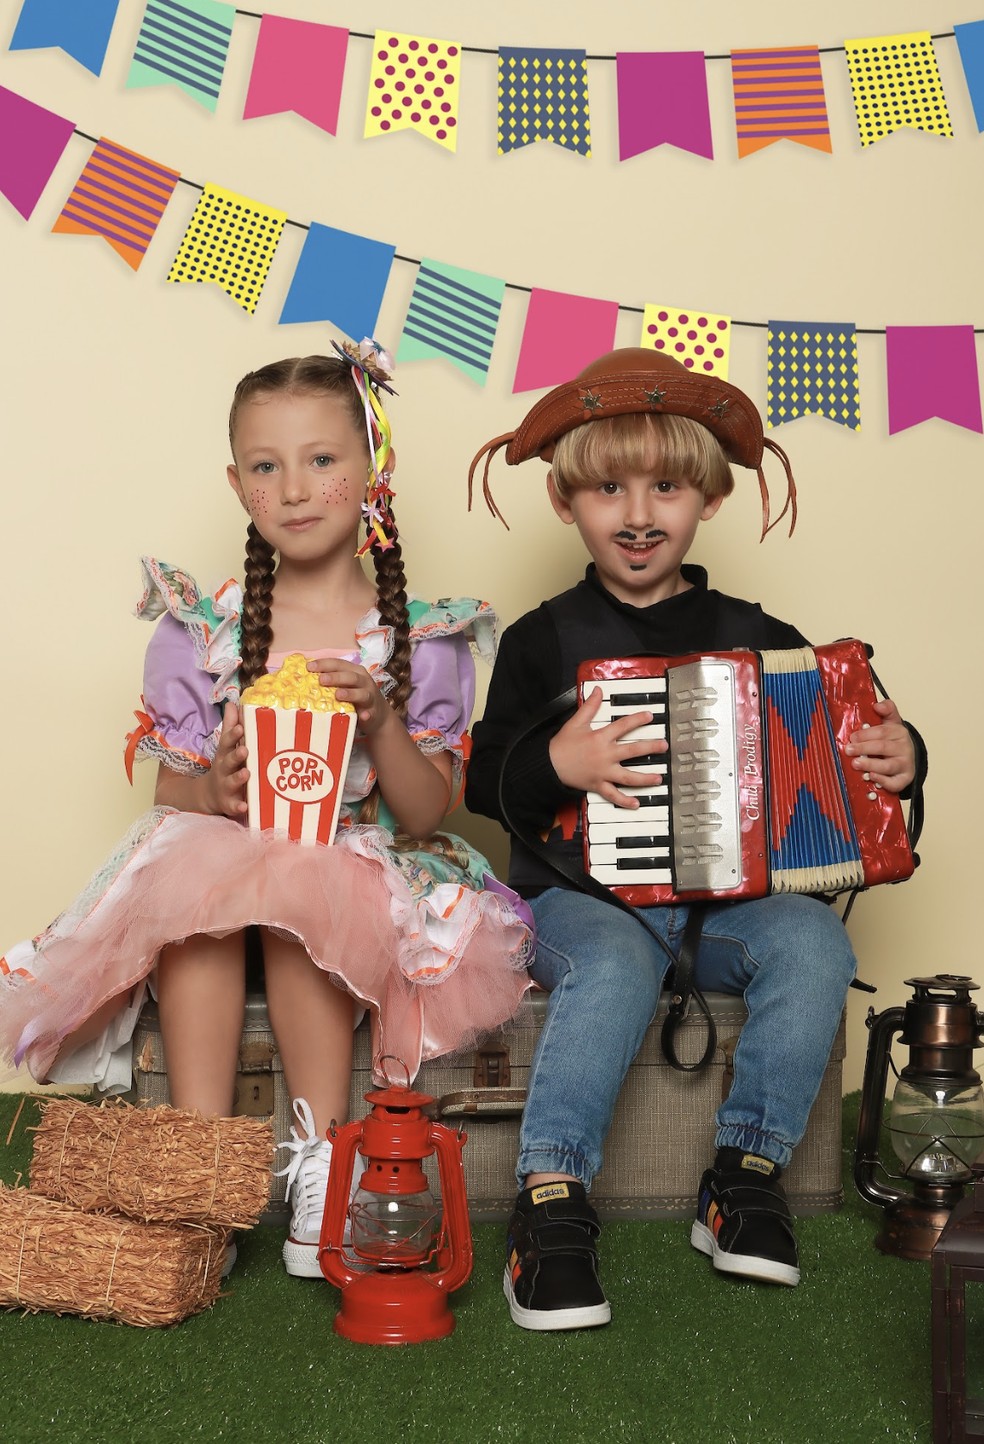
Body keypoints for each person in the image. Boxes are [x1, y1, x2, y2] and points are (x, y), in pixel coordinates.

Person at [0, 344, 532, 1277]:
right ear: (237, 482)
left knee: (302, 875)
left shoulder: (424, 639)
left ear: (373, 468)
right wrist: (214, 787)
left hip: (361, 867)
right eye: (266, 465)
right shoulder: (201, 628)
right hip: (230, 858)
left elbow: (423, 810)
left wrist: (380, 718)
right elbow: (169, 787)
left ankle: (321, 1164)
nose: (294, 487)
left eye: (323, 460)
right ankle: (202, 1169)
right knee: (202, 874)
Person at [465, 347, 923, 1331]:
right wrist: (562, 765)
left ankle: (744, 1176)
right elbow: (484, 779)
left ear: (708, 498)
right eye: (607, 490)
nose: (637, 514)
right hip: (576, 899)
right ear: (564, 502)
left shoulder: (755, 630)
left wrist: (901, 754)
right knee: (619, 963)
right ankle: (549, 1204)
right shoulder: (542, 639)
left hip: (724, 906)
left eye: (666, 486)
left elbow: (842, 738)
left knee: (812, 941)